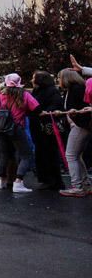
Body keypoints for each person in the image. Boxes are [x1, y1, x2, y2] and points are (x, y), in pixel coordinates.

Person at [0, 73, 40, 193]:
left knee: (4, 154)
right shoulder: (24, 94)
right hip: (17, 127)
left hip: (1, 128)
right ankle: (18, 182)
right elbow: (36, 108)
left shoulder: (2, 94)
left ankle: (1, 181)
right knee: (26, 155)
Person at [57, 68, 91, 197]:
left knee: (70, 155)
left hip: (80, 125)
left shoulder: (75, 90)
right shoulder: (76, 88)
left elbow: (76, 108)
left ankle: (77, 186)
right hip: (81, 124)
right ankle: (85, 184)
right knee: (77, 155)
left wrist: (73, 116)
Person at [30, 71, 64, 190]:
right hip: (37, 126)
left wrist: (45, 112)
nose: (32, 80)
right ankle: (45, 178)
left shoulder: (51, 91)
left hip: (47, 126)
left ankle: (54, 180)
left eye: (34, 78)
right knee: (41, 153)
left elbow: (56, 105)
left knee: (50, 153)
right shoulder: (36, 91)